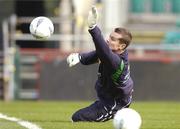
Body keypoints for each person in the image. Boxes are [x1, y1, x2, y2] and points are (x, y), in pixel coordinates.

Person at [67, 6, 134, 122]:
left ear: (121, 46)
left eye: (113, 39)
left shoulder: (117, 63)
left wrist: (93, 28)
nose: (108, 40)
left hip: (114, 104)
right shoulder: (113, 54)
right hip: (107, 98)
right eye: (110, 37)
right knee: (76, 117)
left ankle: (117, 115)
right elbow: (99, 54)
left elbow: (103, 52)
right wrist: (80, 57)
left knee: (77, 118)